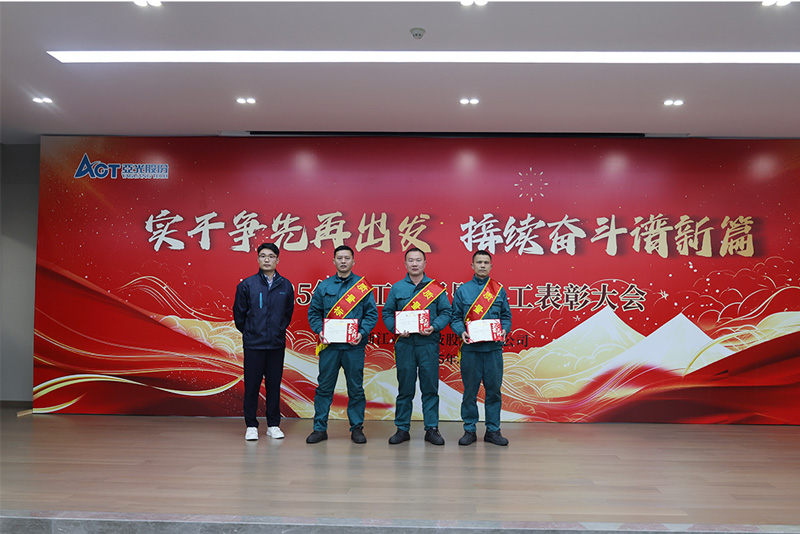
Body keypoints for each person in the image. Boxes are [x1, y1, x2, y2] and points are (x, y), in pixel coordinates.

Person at [306, 245, 379, 444]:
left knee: (355, 389)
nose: (343, 261)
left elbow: (372, 314)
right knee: (324, 388)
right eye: (340, 258)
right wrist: (320, 331)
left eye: (347, 258)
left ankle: (357, 428)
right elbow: (314, 313)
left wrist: (361, 333)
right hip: (329, 347)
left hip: (354, 347)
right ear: (334, 261)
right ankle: (319, 428)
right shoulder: (324, 286)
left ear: (353, 261)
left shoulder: (362, 287)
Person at [382, 248, 452, 446]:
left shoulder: (436, 288)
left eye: (418, 260)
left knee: (430, 388)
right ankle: (402, 429)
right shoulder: (397, 288)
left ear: (425, 263)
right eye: (411, 260)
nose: (414, 264)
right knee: (405, 388)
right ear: (405, 264)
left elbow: (446, 312)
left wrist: (434, 326)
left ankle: (432, 429)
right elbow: (387, 313)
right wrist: (396, 329)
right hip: (405, 344)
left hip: (428, 343)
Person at [450, 250, 512, 446]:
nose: (482, 265)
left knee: (493, 392)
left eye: (486, 262)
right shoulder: (463, 291)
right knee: (470, 392)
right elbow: (455, 318)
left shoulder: (498, 290)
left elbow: (506, 316)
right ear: (472, 266)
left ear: (491, 266)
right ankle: (469, 430)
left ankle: (493, 431)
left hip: (493, 351)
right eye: (479, 262)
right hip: (471, 351)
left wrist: (504, 329)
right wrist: (461, 331)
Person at [233, 242, 295, 441]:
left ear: (278, 260)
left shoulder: (286, 285)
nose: (267, 259)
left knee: (274, 386)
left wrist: (277, 330)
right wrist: (252, 332)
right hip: (254, 345)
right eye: (263, 256)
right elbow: (239, 316)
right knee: (252, 386)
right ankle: (251, 425)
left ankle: (273, 425)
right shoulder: (247, 285)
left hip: (276, 345)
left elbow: (287, 314)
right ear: (258, 259)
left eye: (271, 256)